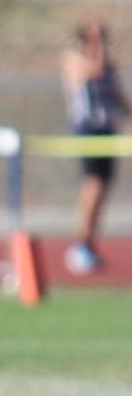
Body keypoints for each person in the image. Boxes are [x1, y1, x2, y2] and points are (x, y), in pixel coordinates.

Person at [61, 16, 128, 276]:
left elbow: (118, 97)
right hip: (88, 130)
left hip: (107, 129)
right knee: (93, 184)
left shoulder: (109, 66)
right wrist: (96, 45)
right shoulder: (74, 59)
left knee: (104, 188)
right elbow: (94, 70)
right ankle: (81, 241)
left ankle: (91, 242)